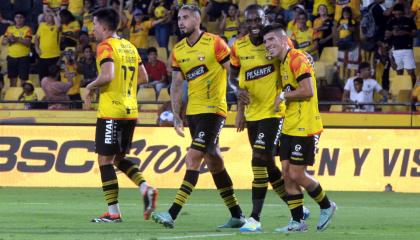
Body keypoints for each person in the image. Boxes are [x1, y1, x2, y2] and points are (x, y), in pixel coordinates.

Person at [151, 4, 245, 229]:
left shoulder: (215, 42)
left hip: (214, 110)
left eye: (185, 17)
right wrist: (175, 115)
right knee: (214, 161)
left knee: (193, 157)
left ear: (197, 19)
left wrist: (238, 93)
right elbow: (175, 84)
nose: (180, 22)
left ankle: (172, 213)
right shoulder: (179, 49)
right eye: (179, 18)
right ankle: (237, 214)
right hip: (193, 113)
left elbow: (231, 72)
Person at [230, 4, 309, 232]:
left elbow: (294, 61)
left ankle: (254, 218)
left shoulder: (276, 43)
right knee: (268, 164)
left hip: (274, 112)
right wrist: (238, 100)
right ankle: (297, 209)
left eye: (258, 21)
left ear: (265, 19)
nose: (255, 25)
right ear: (245, 22)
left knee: (257, 159)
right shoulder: (238, 46)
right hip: (252, 113)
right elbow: (234, 77)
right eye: (250, 21)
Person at [85, 7, 158, 223]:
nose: (93, 28)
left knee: (104, 160)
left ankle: (113, 212)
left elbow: (107, 75)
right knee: (118, 158)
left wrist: (90, 86)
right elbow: (143, 78)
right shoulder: (129, 47)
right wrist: (124, 88)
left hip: (111, 111)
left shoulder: (105, 46)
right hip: (130, 110)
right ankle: (145, 187)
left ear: (105, 26)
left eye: (95, 24)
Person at [262, 24, 336, 232]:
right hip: (290, 124)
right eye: (266, 41)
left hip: (306, 124)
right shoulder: (283, 62)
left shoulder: (297, 59)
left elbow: (308, 91)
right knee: (286, 173)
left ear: (284, 40)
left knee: (296, 174)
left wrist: (284, 95)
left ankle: (327, 206)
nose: (268, 45)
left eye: (271, 40)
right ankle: (297, 222)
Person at [385, 3, 417, 86]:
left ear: (403, 12)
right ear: (394, 13)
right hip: (396, 50)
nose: (398, 15)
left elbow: (415, 34)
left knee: (411, 73)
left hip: (407, 49)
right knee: (399, 73)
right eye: (396, 14)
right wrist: (393, 33)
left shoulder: (409, 21)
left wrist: (405, 32)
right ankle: (402, 90)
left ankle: (412, 90)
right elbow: (386, 35)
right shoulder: (391, 22)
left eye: (400, 14)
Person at [2, 12, 32, 87]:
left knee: (24, 81)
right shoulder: (9, 29)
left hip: (24, 58)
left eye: (20, 17)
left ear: (24, 19)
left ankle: (23, 96)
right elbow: (4, 42)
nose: (18, 19)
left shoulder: (27, 29)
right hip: (12, 58)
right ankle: (13, 97)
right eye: (17, 17)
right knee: (12, 81)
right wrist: (9, 39)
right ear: (14, 19)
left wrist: (15, 39)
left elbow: (28, 42)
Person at [35, 10, 61, 81]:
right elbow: (36, 38)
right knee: (43, 78)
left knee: (55, 78)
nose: (46, 17)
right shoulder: (42, 25)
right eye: (45, 16)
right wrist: (37, 48)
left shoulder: (57, 26)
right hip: (43, 56)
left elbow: (59, 26)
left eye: (49, 16)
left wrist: (54, 14)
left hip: (55, 56)